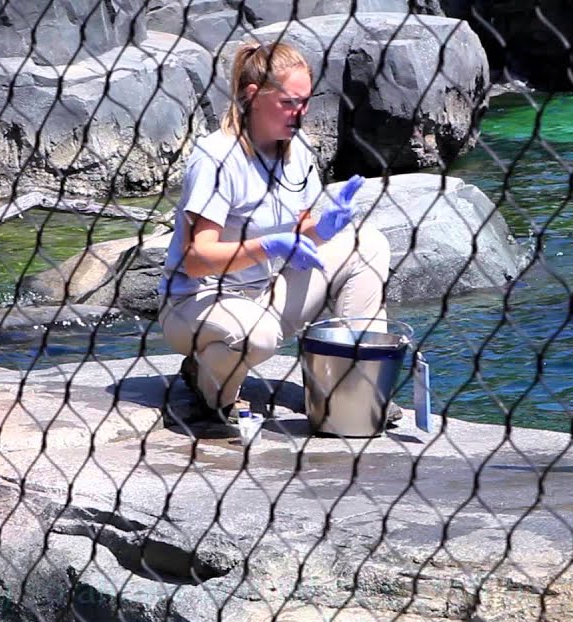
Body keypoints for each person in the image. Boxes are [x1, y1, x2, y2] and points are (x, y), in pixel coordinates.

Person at [159, 40, 399, 425]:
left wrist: (323, 227)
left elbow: (300, 228)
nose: (299, 113)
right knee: (259, 334)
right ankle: (209, 388)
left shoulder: (297, 149)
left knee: (367, 244)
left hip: (266, 293)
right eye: (289, 102)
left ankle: (353, 392)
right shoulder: (216, 158)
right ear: (254, 97)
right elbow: (196, 258)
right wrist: (266, 246)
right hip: (198, 302)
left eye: (304, 102)